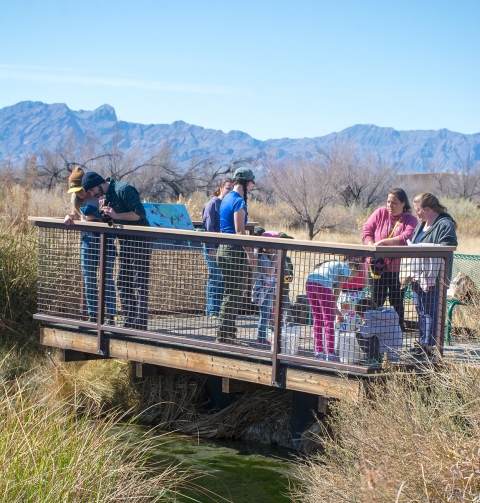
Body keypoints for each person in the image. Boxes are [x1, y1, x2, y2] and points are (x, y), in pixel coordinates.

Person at [82, 171, 152, 330]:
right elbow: (110, 220)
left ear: (99, 183)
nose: (92, 194)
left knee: (139, 281)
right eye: (90, 192)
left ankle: (141, 323)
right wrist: (104, 213)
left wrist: (116, 214)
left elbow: (139, 214)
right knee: (122, 281)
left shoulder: (124, 190)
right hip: (125, 242)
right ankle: (130, 319)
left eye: (93, 190)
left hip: (141, 239)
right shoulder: (105, 197)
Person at [63, 167, 117, 324]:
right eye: (75, 190)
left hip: (105, 240)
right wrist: (69, 216)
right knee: (89, 278)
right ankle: (93, 315)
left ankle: (110, 316)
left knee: (107, 279)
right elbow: (75, 212)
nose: (78, 193)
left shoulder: (101, 195)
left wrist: (97, 216)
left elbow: (111, 219)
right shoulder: (77, 199)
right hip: (86, 241)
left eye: (80, 189)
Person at [362, 188, 418, 328]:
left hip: (397, 269)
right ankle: (373, 328)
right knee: (376, 300)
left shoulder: (410, 219)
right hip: (376, 267)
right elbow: (367, 231)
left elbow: (408, 237)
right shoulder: (380, 213)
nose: (390, 205)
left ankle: (397, 330)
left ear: (403, 203)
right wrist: (373, 247)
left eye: (394, 203)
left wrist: (383, 242)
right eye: (388, 202)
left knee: (397, 301)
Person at [411, 193, 458, 356]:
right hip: (418, 275)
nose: (416, 213)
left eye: (418, 210)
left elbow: (448, 246)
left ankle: (430, 346)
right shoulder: (421, 225)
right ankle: (423, 341)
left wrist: (427, 249)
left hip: (435, 277)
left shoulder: (445, 224)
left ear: (428, 209)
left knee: (431, 310)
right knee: (420, 308)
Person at [216, 167, 256, 344]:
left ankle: (228, 333)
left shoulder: (226, 198)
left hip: (223, 249)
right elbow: (240, 232)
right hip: (233, 252)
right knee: (234, 294)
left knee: (230, 292)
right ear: (247, 183)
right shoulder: (239, 201)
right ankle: (224, 335)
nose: (251, 187)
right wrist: (251, 255)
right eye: (251, 184)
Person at [306, 258, 360, 362]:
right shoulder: (345, 268)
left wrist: (337, 311)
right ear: (353, 268)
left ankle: (319, 352)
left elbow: (331, 300)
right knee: (328, 320)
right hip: (322, 284)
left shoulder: (335, 266)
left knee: (317, 318)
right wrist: (336, 312)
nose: (351, 278)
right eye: (355, 274)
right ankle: (330, 354)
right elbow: (338, 290)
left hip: (309, 283)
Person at [201, 178, 234, 317]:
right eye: (227, 188)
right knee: (215, 277)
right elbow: (208, 227)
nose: (229, 191)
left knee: (222, 279)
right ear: (221, 188)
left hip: (223, 247)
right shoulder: (213, 204)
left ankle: (219, 309)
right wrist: (211, 247)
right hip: (212, 246)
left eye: (232, 189)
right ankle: (212, 310)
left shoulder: (228, 204)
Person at [354, 298, 403, 363]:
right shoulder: (387, 313)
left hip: (386, 354)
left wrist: (364, 324)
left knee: (359, 334)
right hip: (396, 352)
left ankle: (375, 358)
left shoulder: (372, 318)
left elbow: (364, 333)